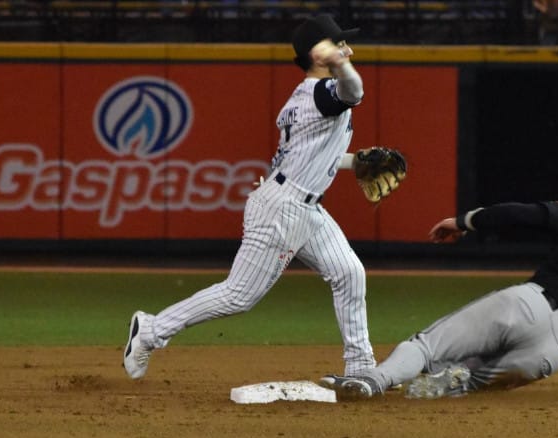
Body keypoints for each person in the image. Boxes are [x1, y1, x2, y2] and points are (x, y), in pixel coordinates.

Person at [123, 14, 377, 380]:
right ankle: (150, 330)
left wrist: (356, 163)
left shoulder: (306, 97)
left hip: (301, 205)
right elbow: (355, 92)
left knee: (349, 273)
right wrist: (340, 64)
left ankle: (361, 368)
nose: (348, 50)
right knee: (238, 296)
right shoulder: (323, 93)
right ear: (319, 54)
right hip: (284, 208)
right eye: (339, 45)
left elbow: (307, 156)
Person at [320, 179, 558, 399]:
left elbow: (522, 213)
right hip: (550, 356)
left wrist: (463, 221)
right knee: (464, 383)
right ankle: (427, 387)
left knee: (426, 347)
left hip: (530, 306)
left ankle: (373, 381)